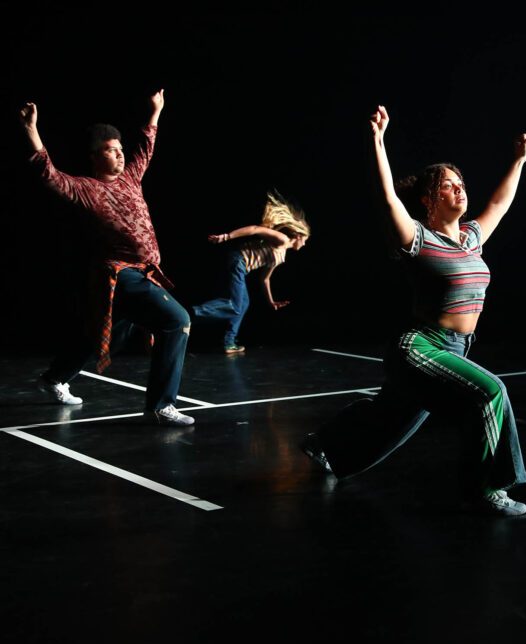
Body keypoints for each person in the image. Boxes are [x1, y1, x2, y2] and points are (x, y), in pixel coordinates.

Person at [301, 105, 526, 516]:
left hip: (457, 347)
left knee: (395, 418)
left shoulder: (471, 238)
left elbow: (500, 201)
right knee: (491, 392)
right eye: (448, 186)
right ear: (428, 200)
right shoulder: (416, 238)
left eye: (461, 183)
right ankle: (487, 488)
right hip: (421, 345)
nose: (460, 189)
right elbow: (386, 195)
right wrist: (377, 141)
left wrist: (517, 160)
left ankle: (325, 443)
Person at [19, 89, 194, 426]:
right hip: (119, 273)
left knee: (104, 336)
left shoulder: (131, 179)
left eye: (119, 149)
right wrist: (31, 130)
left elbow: (146, 146)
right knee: (177, 320)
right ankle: (161, 406)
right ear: (95, 157)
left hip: (143, 271)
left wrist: (155, 111)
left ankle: (53, 379)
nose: (119, 155)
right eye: (110, 151)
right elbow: (49, 174)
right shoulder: (86, 188)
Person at [190, 192, 310, 354]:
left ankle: (229, 342)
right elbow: (255, 229)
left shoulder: (282, 257)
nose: (304, 245)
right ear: (298, 236)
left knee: (243, 304)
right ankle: (191, 314)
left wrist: (271, 301)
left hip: (241, 268)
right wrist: (226, 237)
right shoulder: (282, 239)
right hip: (238, 260)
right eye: (305, 241)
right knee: (235, 306)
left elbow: (265, 279)